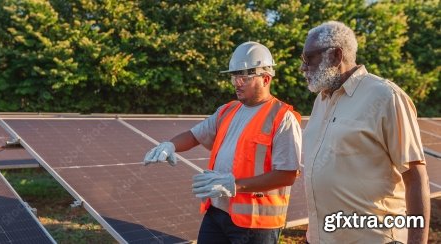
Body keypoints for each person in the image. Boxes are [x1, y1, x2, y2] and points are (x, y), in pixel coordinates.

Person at [144, 41, 302, 243]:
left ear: (266, 78)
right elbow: (194, 135)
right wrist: (170, 145)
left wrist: (233, 184)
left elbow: (287, 175)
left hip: (256, 224)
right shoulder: (227, 110)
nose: (237, 82)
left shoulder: (282, 118)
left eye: (244, 77)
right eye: (234, 76)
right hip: (217, 212)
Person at [300, 21, 430, 243]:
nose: (303, 68)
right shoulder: (321, 100)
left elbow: (416, 178)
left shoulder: (386, 97)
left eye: (309, 59)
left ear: (335, 55)